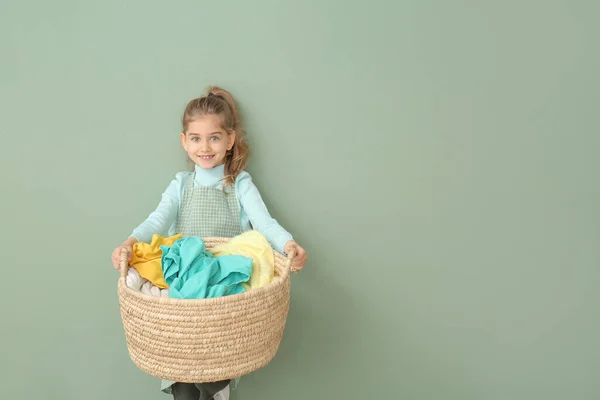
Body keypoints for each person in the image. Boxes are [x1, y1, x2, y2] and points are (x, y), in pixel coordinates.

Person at [111, 85, 308, 400]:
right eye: (196, 138)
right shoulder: (181, 185)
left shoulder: (239, 185)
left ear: (229, 141)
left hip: (222, 290)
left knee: (212, 373)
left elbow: (265, 223)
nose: (205, 147)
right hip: (185, 286)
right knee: (183, 380)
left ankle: (215, 387)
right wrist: (130, 242)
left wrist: (288, 245)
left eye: (214, 138)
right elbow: (156, 220)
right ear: (184, 141)